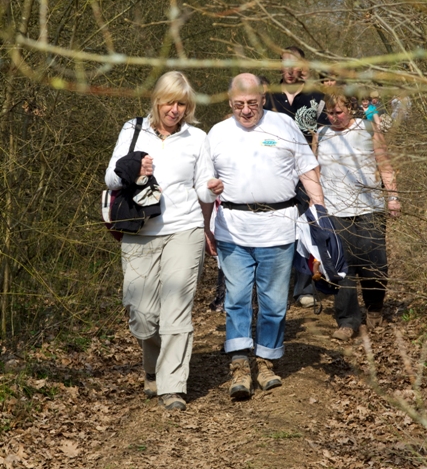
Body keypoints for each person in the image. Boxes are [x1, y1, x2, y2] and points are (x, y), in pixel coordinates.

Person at [105, 71, 223, 411]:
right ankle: (153, 367)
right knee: (142, 313)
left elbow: (201, 186)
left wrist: (211, 188)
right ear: (157, 101)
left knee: (176, 310)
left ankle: (172, 386)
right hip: (139, 230)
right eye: (170, 102)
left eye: (182, 104)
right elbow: (110, 178)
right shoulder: (133, 129)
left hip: (184, 229)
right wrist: (132, 167)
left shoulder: (197, 138)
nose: (175, 110)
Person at [203, 73, 325, 400]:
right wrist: (206, 227)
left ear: (263, 99)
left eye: (252, 103)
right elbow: (203, 186)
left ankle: (267, 360)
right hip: (232, 227)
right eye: (239, 104)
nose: (246, 110)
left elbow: (308, 171)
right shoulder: (216, 134)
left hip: (278, 226)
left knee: (272, 303)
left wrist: (321, 214)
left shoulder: (284, 126)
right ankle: (240, 365)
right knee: (237, 299)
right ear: (230, 103)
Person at [312, 93, 401, 341]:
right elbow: (314, 172)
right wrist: (315, 206)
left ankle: (374, 307)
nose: (334, 118)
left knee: (375, 265)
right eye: (329, 113)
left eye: (338, 112)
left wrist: (393, 197)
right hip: (335, 210)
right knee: (343, 268)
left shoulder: (367, 129)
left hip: (369, 207)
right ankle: (347, 320)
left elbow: (384, 164)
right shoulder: (322, 134)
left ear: (350, 109)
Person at [264, 46, 329, 308]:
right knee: (277, 228)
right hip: (272, 170)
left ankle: (304, 287)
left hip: (306, 170)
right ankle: (273, 285)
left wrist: (316, 173)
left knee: (306, 227)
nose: (289, 71)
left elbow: (322, 136)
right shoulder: (268, 96)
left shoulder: (317, 96)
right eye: (285, 65)